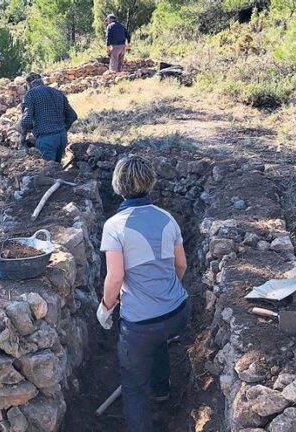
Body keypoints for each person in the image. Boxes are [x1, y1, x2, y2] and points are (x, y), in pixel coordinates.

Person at [96, 155, 191, 432]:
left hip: (140, 325)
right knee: (158, 338)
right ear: (150, 182)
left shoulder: (114, 226)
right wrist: (165, 290)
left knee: (134, 386)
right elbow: (181, 265)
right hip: (178, 313)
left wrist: (105, 306)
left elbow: (115, 277)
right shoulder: (167, 218)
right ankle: (162, 391)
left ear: (118, 185)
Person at [19, 73, 78, 162]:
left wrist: (24, 137)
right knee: (57, 170)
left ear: (28, 84)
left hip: (46, 140)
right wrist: (62, 129)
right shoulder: (57, 92)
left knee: (48, 172)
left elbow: (26, 121)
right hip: (62, 137)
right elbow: (72, 116)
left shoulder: (30, 94)